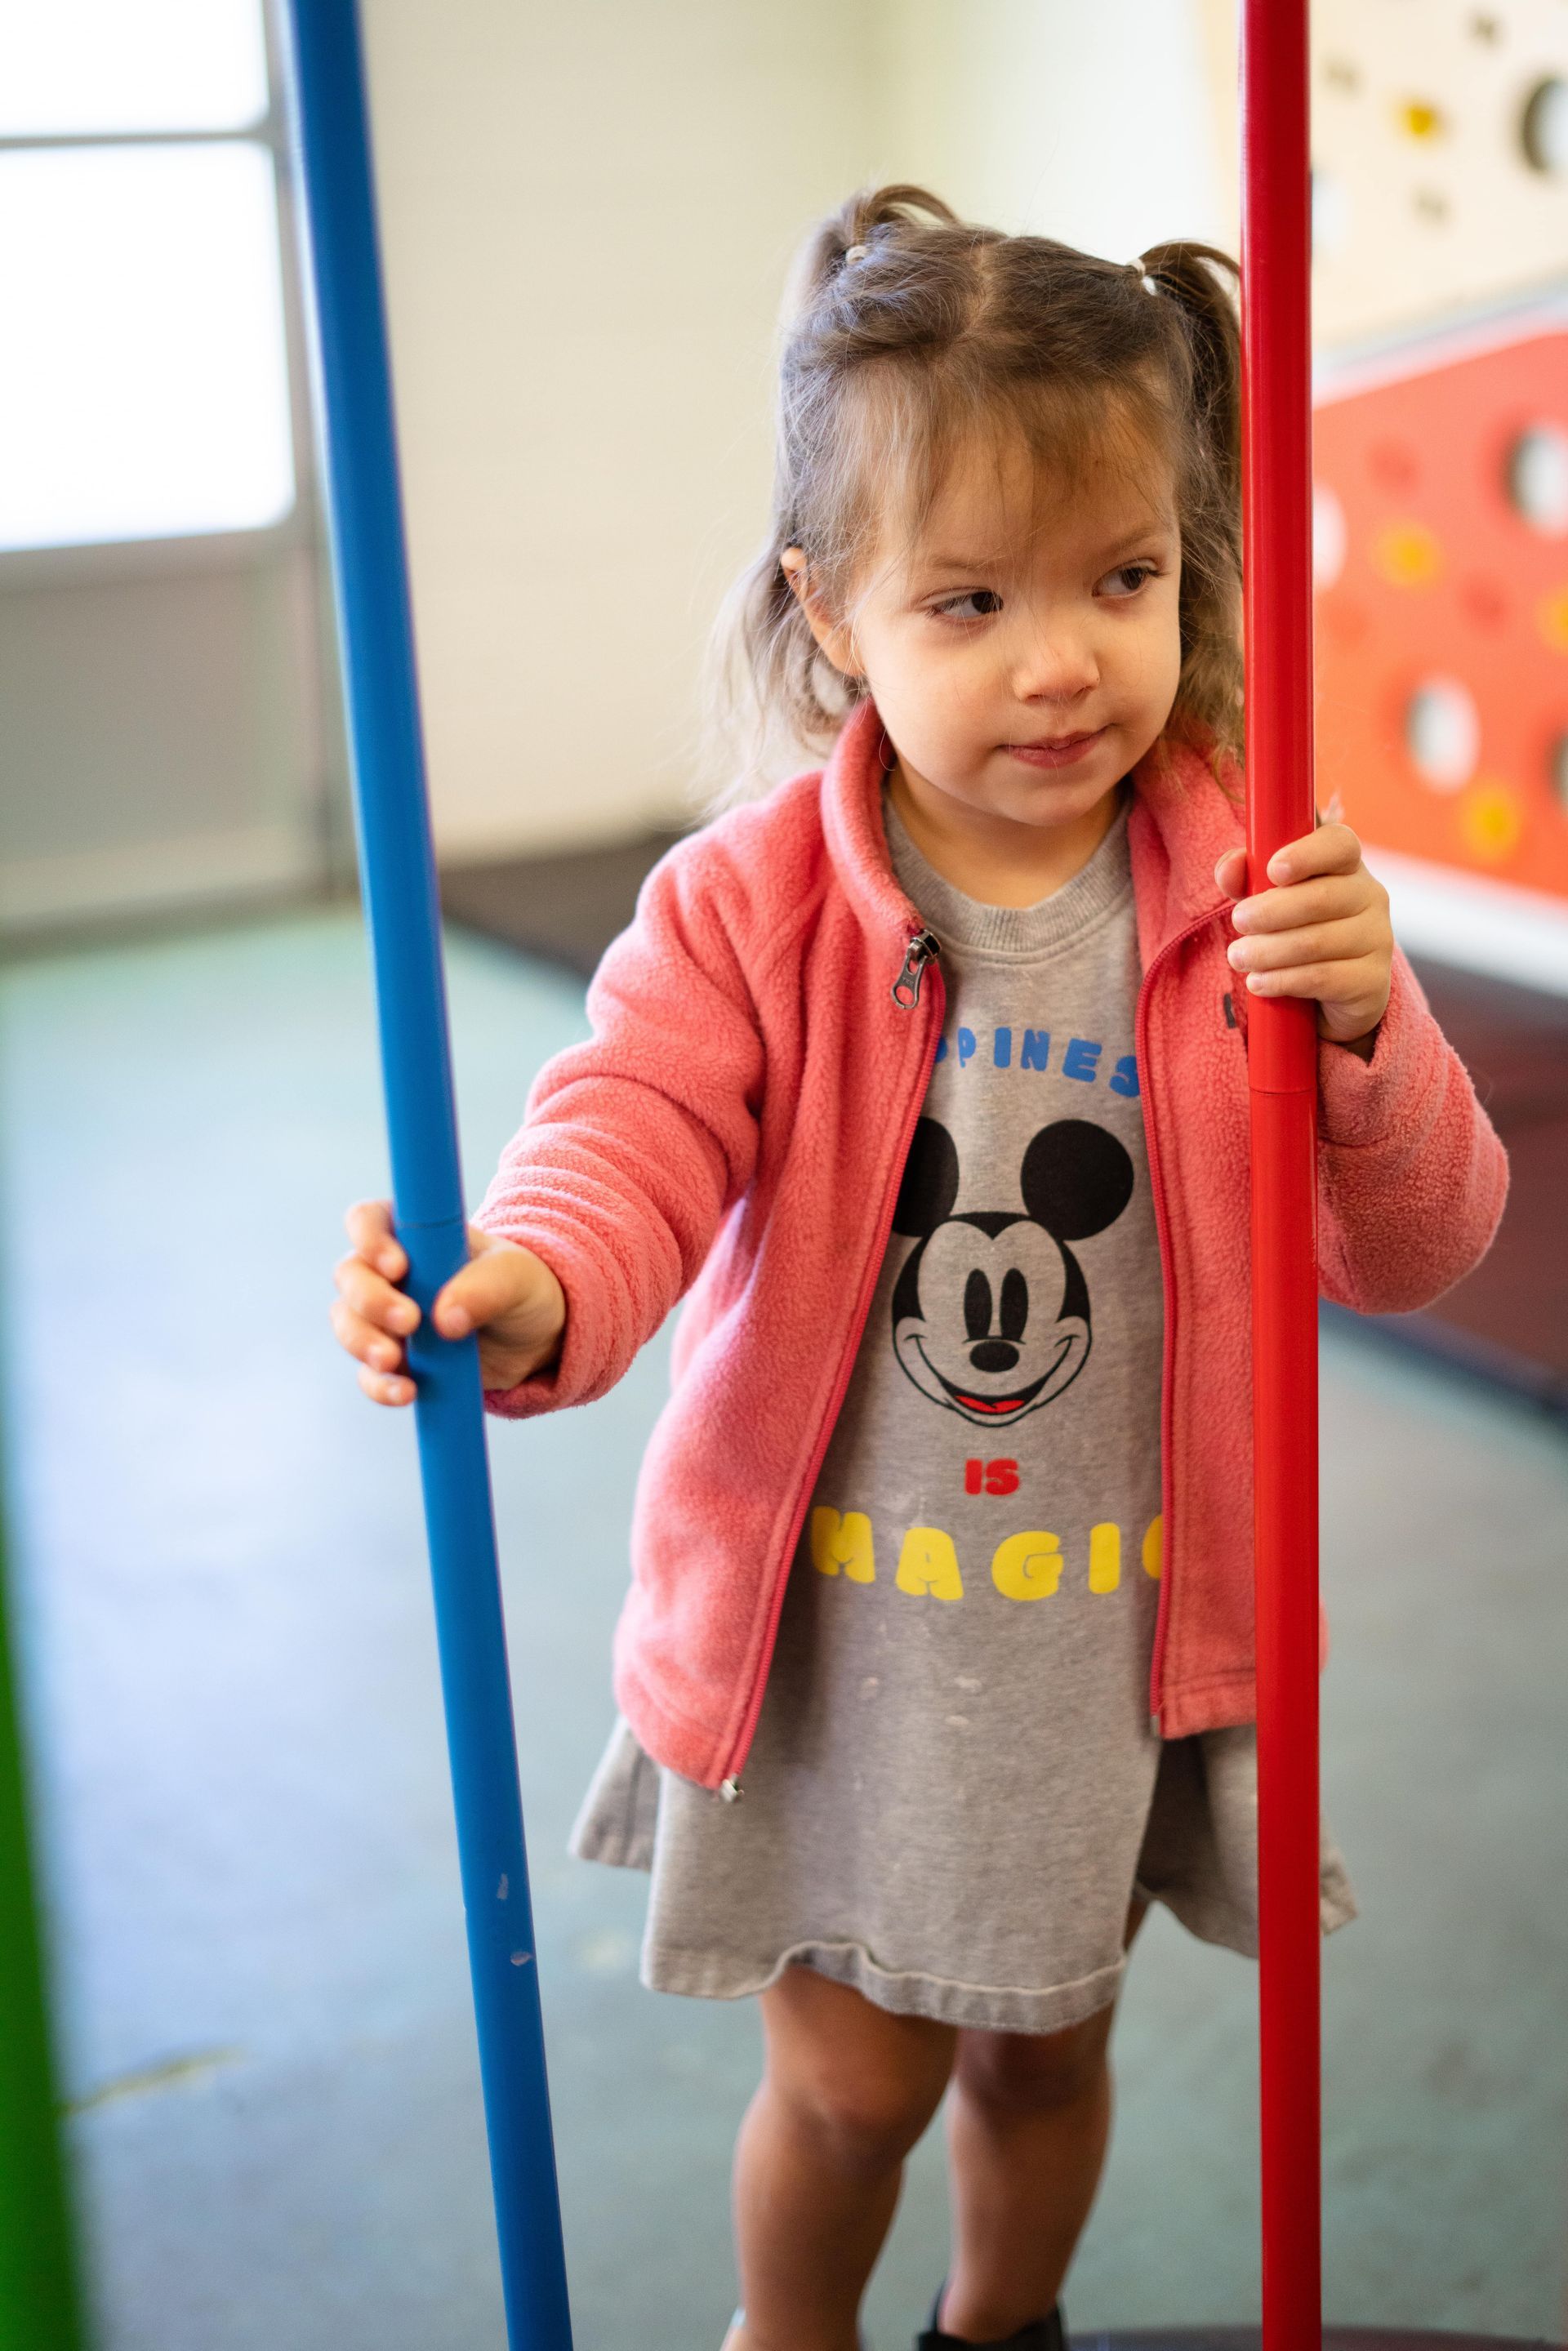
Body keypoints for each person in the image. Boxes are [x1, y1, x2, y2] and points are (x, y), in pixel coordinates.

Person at [330, 188, 1508, 2351]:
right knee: (854, 2080)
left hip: (1103, 1645)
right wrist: (533, 1284)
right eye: (969, 599)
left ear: (1188, 570)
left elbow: (1421, 1244)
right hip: (839, 1646)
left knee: (1043, 2054)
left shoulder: (1249, 889)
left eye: (1123, 581)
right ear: (836, 614)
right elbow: (633, 1137)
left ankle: (1000, 2331)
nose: (1061, 658)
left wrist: (1369, 1035)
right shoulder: (749, 905)